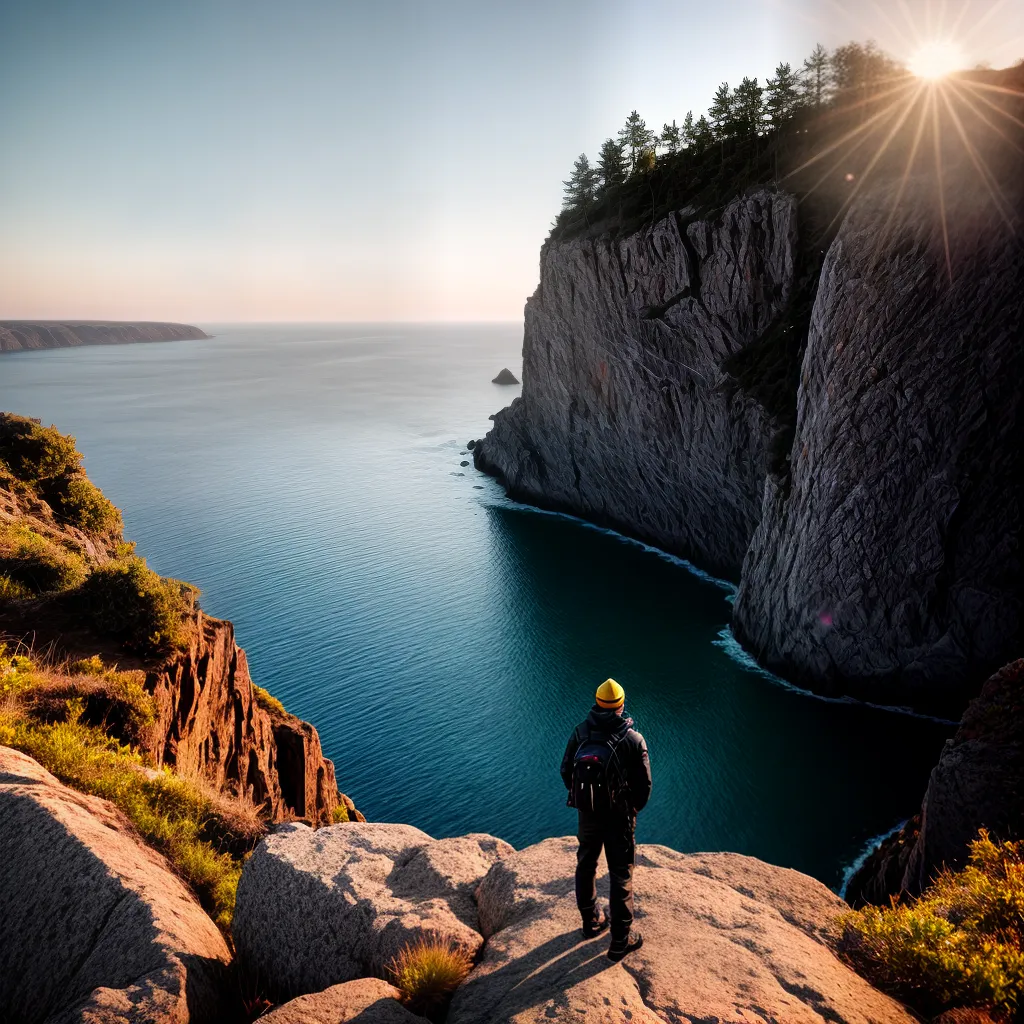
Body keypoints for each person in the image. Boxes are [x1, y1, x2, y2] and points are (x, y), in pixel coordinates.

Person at [560, 677, 652, 961]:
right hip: (619, 818)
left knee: (586, 864)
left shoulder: (581, 732)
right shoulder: (633, 739)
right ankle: (620, 942)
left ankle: (590, 922)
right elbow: (645, 785)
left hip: (588, 815)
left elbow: (566, 771)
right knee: (620, 874)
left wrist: (585, 801)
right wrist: (631, 808)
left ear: (598, 703)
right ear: (621, 705)